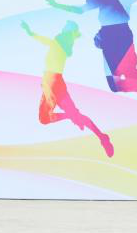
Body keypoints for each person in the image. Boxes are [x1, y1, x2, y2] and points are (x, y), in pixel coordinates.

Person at [22, 19, 114, 157]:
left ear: (67, 31)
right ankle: (101, 136)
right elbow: (48, 41)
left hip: (51, 83)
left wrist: (30, 32)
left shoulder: (59, 41)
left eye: (65, 27)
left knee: (45, 118)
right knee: (72, 116)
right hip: (56, 82)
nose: (63, 28)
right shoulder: (64, 43)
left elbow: (45, 40)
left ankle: (76, 120)